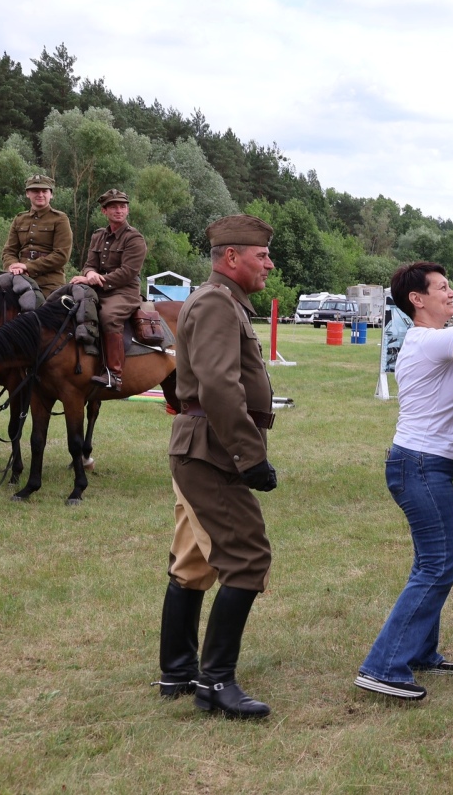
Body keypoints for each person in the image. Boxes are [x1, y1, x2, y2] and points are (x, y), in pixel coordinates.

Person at [155, 215, 278, 719]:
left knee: (191, 562)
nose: (269, 263)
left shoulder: (222, 303)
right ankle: (216, 682)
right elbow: (219, 387)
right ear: (232, 257)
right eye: (261, 255)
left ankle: (178, 670)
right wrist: (251, 458)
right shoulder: (215, 303)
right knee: (247, 559)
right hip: (213, 452)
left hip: (205, 445)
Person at [354, 261, 453, 702]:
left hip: (423, 466)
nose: (452, 295)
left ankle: (420, 652)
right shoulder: (430, 340)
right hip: (420, 467)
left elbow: (438, 400)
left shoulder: (430, 345)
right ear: (417, 299)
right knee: (439, 566)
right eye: (444, 289)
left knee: (429, 563)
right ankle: (383, 665)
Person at [70, 189, 147, 390]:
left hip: (124, 291)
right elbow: (89, 264)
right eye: (113, 207)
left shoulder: (134, 238)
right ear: (104, 211)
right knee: (66, 304)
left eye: (122, 207)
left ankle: (114, 374)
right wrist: (88, 274)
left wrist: (96, 279)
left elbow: (128, 272)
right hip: (99, 287)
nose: (119, 210)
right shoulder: (98, 235)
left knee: (109, 317)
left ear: (128, 210)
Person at [1, 174, 73, 298]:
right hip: (19, 278)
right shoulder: (19, 219)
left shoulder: (60, 219)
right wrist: (13, 267)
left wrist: (27, 267)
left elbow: (61, 255)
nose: (40, 194)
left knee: (37, 309)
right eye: (35, 191)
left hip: (48, 283)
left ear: (51, 194)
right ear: (27, 194)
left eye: (44, 191)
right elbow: (9, 251)